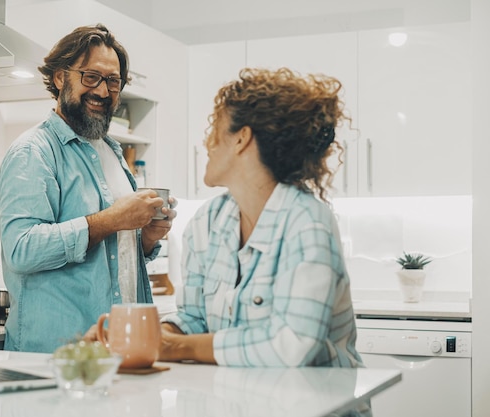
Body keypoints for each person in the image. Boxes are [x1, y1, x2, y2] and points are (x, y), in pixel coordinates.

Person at [158, 68, 369, 415]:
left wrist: (177, 348)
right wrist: (154, 335)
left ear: (241, 138)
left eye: (214, 130)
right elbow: (194, 318)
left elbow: (292, 346)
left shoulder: (307, 223)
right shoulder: (205, 224)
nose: (206, 143)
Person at [0, 23, 176, 354]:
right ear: (61, 78)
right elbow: (22, 249)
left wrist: (145, 239)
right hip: (55, 357)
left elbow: (113, 258)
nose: (103, 92)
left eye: (113, 81)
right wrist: (112, 220)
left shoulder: (112, 151)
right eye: (91, 77)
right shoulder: (34, 151)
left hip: (115, 351)